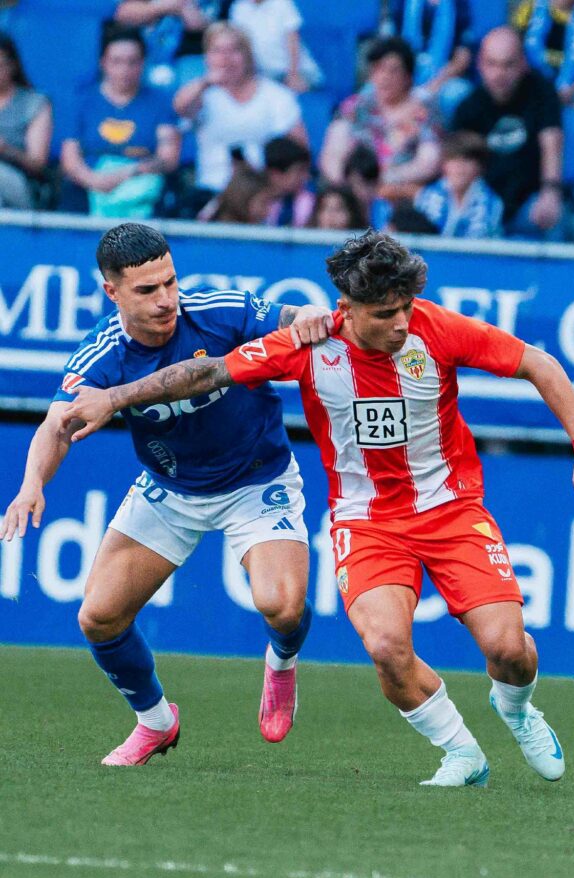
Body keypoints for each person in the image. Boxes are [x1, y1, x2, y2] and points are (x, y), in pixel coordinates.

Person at [61, 230, 574, 788]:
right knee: (386, 647)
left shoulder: (436, 328)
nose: (401, 323)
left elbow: (538, 364)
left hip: (451, 509)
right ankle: (462, 751)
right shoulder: (309, 346)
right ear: (347, 310)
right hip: (366, 522)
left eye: (404, 308)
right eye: (384, 314)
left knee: (507, 649)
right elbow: (208, 372)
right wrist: (113, 398)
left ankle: (517, 709)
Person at [0, 223, 334, 766]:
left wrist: (307, 317)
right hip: (170, 490)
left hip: (257, 479)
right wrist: (31, 484)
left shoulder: (215, 310)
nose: (166, 300)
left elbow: (287, 316)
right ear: (112, 292)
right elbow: (58, 423)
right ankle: (156, 721)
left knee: (281, 605)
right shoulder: (100, 356)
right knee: (98, 616)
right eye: (147, 290)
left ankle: (282, 661)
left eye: (170, 282)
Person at [452, 27, 564, 238]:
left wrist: (550, 191)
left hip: (530, 201)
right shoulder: (468, 107)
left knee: (554, 217)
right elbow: (460, 161)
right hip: (485, 204)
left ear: (523, 64)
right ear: (480, 65)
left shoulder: (542, 93)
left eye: (508, 65)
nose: (499, 74)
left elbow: (552, 142)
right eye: (492, 64)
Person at [174, 21, 307, 197]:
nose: (226, 58)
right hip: (211, 191)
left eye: (234, 50)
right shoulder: (203, 96)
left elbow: (300, 151)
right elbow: (180, 107)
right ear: (206, 57)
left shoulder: (276, 95)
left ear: (248, 54)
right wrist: (206, 82)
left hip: (262, 195)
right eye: (217, 51)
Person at [60, 27, 181, 217]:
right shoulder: (82, 101)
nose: (125, 70)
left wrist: (128, 173)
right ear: (103, 63)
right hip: (89, 185)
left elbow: (168, 158)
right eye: (116, 61)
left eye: (132, 62)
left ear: (143, 64)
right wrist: (94, 181)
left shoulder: (160, 102)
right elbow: (70, 158)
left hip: (143, 184)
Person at [319, 36, 441, 202]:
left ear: (408, 77)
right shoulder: (355, 107)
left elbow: (429, 163)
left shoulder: (424, 111)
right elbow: (332, 154)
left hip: (401, 193)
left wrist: (383, 179)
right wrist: (349, 186)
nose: (385, 77)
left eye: (393, 71)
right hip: (353, 191)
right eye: (378, 69)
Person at [113, 0, 235, 88]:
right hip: (150, 60)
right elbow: (122, 12)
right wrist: (170, 5)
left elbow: (226, 27)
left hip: (196, 61)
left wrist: (197, 19)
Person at [390, 0, 475, 121]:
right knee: (371, 91)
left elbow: (463, 57)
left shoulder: (459, 4)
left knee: (455, 94)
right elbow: (390, 51)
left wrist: (429, 90)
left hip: (443, 81)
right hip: (404, 76)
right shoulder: (401, 3)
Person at [415, 129, 504, 238]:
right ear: (444, 164)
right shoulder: (426, 196)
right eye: (453, 159)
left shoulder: (492, 202)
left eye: (467, 160)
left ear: (480, 167)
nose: (459, 166)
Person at [0, 32, 52, 209]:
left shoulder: (34, 103)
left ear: (12, 65)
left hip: (20, 184)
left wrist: (5, 149)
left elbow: (37, 165)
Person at [228, 0, 323, 92]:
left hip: (298, 71)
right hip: (264, 74)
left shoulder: (282, 4)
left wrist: (293, 75)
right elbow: (241, 45)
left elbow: (293, 42)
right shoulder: (238, 7)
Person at [263, 135, 314, 228]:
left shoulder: (310, 204)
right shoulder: (258, 203)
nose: (306, 177)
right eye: (300, 171)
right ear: (276, 175)